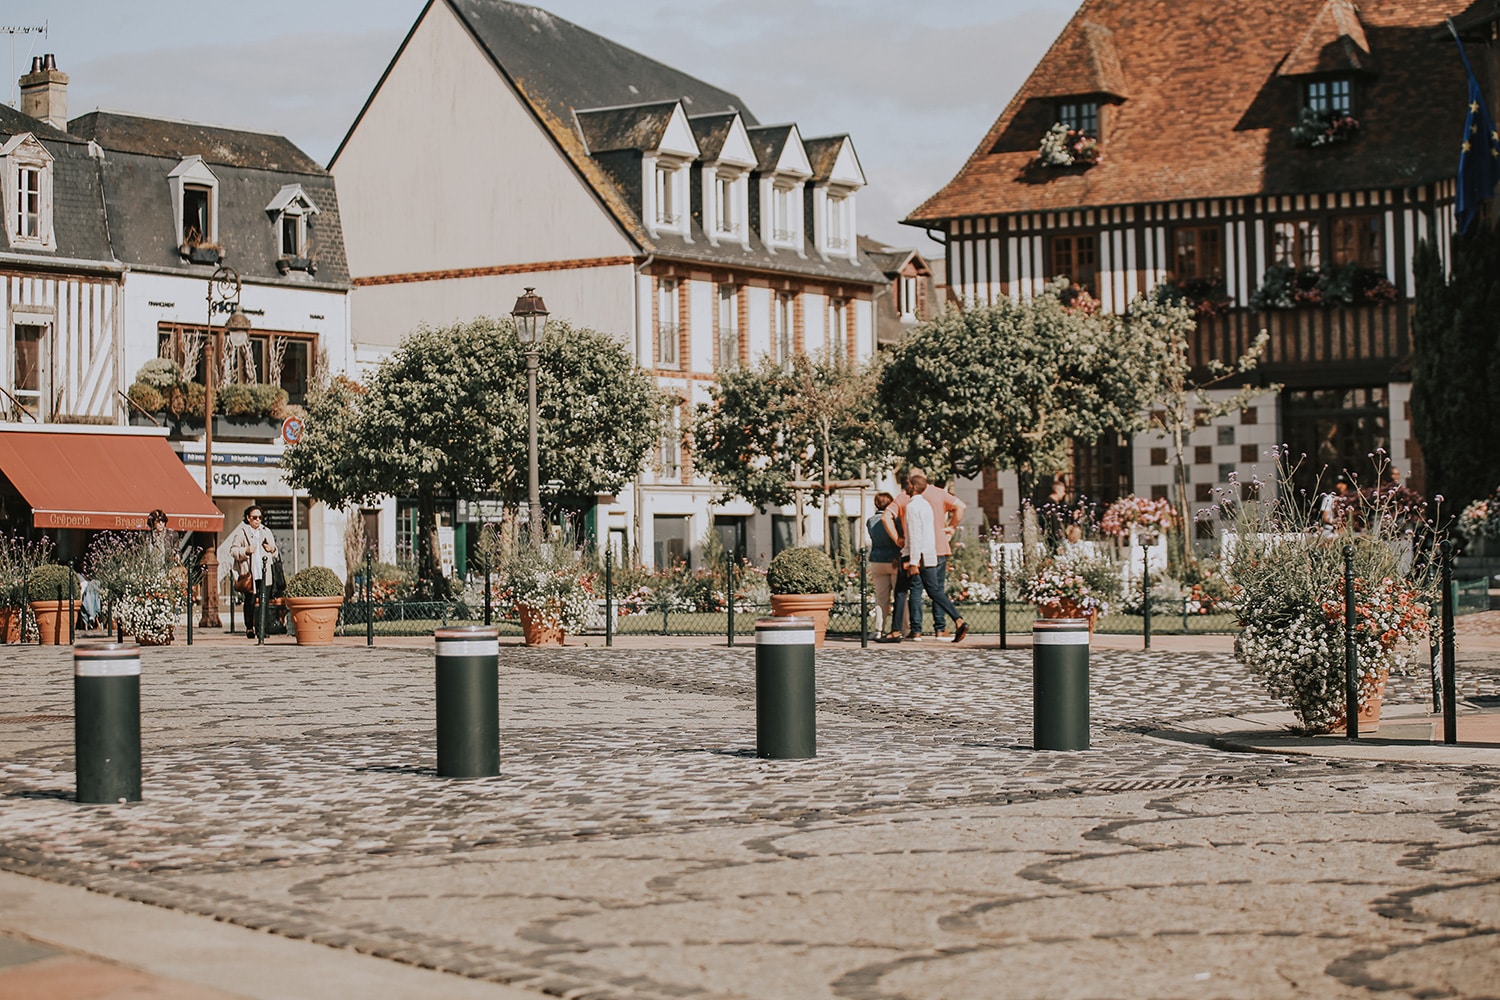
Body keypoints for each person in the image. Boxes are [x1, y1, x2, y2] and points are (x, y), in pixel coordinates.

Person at [886, 468, 965, 637]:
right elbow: (928, 533)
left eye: (908, 482)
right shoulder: (928, 504)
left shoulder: (912, 506)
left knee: (902, 592)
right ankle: (957, 620)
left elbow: (915, 535)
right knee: (935, 590)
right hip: (932, 553)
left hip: (915, 555)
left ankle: (899, 630)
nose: (905, 486)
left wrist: (914, 560)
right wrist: (951, 528)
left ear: (914, 486)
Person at [228, 505, 278, 640]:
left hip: (265, 572)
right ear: (248, 518)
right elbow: (233, 550)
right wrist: (246, 550)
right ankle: (249, 627)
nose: (258, 520)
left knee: (264, 602)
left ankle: (262, 629)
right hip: (250, 573)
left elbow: (275, 552)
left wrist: (272, 549)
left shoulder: (266, 532)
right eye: (254, 517)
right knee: (249, 602)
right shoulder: (242, 533)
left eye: (260, 518)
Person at [866, 492, 901, 639]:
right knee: (900, 595)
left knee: (881, 598)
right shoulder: (895, 520)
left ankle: (879, 629)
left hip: (876, 559)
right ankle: (903, 628)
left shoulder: (870, 521)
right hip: (893, 559)